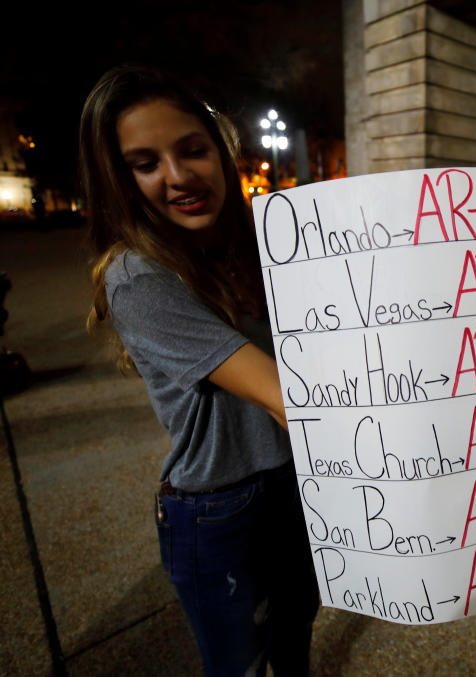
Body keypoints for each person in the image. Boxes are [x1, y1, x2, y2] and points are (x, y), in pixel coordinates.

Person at [80, 65, 318, 675]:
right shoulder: (134, 275)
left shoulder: (258, 246)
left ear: (221, 150)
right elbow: (283, 396)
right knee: (236, 664)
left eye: (192, 150)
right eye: (145, 162)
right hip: (218, 507)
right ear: (117, 179)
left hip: (296, 480)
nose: (179, 176)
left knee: (295, 635)